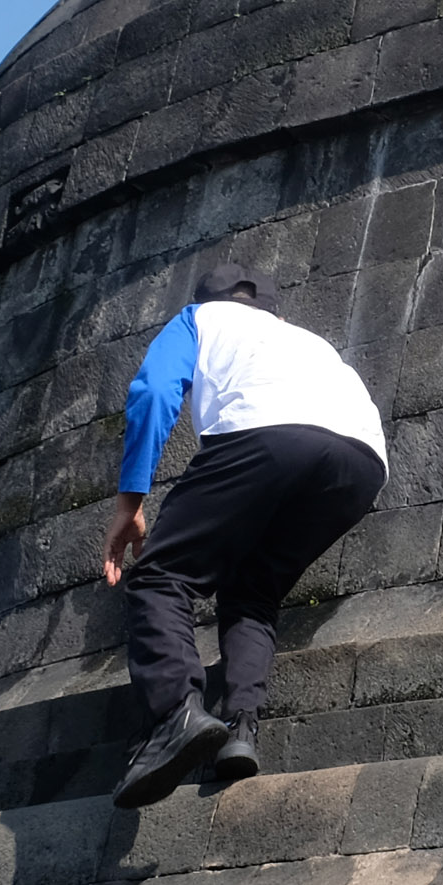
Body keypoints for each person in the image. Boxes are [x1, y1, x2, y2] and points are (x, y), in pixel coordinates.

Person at [103, 263, 391, 809]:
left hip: (265, 433)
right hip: (362, 461)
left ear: (208, 299)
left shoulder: (197, 319)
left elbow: (154, 390)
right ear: (275, 310)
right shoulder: (307, 340)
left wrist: (131, 501)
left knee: (162, 577)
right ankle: (241, 729)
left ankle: (174, 716)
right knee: (253, 592)